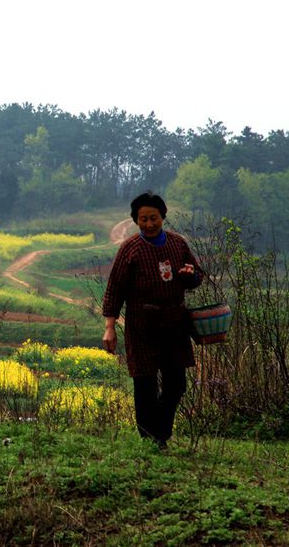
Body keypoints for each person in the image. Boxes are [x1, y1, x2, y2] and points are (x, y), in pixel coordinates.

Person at [101, 192, 202, 449]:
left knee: (176, 384)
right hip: (141, 326)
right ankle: (151, 439)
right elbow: (114, 289)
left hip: (175, 324)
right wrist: (110, 328)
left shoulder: (178, 244)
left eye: (153, 218)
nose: (149, 223)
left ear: (163, 217)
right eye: (143, 219)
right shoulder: (130, 249)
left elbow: (196, 276)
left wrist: (189, 274)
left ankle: (161, 431)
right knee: (144, 384)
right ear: (136, 221)